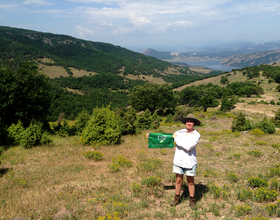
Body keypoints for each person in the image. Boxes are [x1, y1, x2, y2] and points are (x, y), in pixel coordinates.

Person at [170, 113, 201, 208]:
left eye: (191, 121)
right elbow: (168, 138)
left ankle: (192, 200)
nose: (189, 123)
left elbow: (188, 147)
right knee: (178, 180)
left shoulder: (196, 135)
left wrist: (177, 139)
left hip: (190, 161)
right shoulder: (179, 132)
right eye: (188, 121)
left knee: (190, 182)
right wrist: (151, 136)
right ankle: (177, 197)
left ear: (194, 123)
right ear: (185, 122)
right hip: (178, 160)